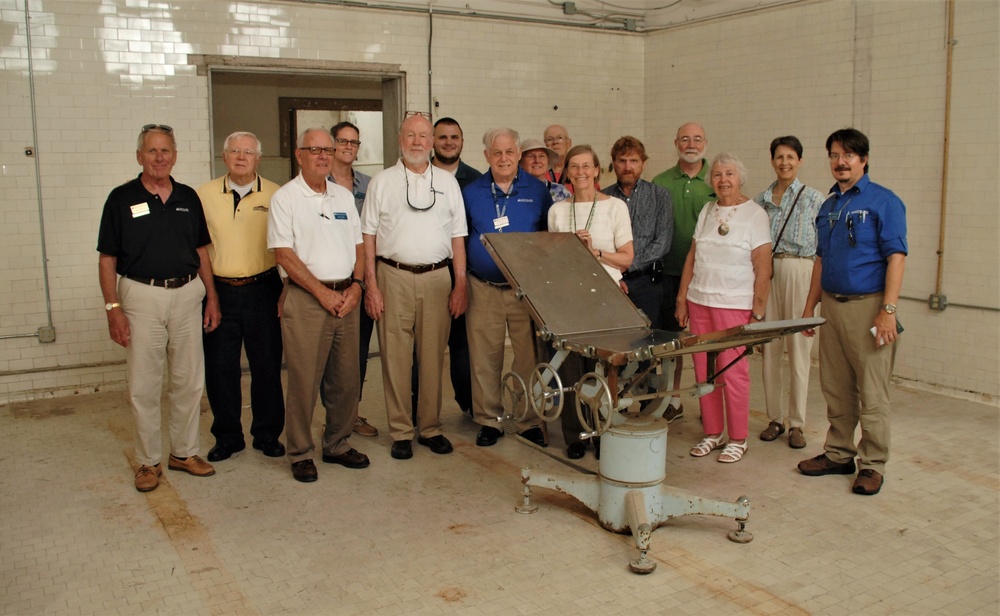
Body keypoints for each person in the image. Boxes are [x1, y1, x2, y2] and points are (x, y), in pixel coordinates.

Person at [97, 124, 219, 492]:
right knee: (145, 384)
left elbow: (201, 251)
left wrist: (211, 296)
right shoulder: (120, 198)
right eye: (152, 151)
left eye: (166, 150)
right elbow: (107, 259)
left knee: (188, 380)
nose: (159, 157)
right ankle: (147, 462)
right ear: (139, 156)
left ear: (175, 156)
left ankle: (184, 453)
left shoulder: (187, 197)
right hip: (140, 296)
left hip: (187, 295)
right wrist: (112, 308)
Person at [797, 128, 907, 497]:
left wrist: (887, 311)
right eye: (834, 155)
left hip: (869, 309)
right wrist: (810, 304)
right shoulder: (828, 206)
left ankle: (872, 464)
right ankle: (838, 453)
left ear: (864, 159)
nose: (840, 162)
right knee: (836, 387)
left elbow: (896, 257)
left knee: (872, 392)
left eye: (848, 155)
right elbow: (820, 259)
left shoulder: (884, 202)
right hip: (831, 306)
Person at [362, 113, 468, 461]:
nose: (418, 142)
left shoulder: (448, 183)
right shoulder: (382, 182)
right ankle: (401, 431)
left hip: (439, 278)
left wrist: (460, 284)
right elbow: (368, 236)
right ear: (400, 139)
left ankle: (431, 427)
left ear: (432, 141)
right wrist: (371, 286)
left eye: (424, 135)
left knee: (432, 357)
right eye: (411, 135)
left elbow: (457, 238)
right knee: (395, 357)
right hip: (392, 276)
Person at [268, 127, 370, 483]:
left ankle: (338, 444)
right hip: (308, 301)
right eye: (315, 150)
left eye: (329, 149)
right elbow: (284, 254)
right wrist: (322, 293)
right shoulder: (285, 198)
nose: (324, 156)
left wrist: (357, 286)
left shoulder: (343, 196)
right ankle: (299, 452)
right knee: (303, 381)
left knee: (346, 380)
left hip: (347, 298)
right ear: (299, 155)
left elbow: (359, 247)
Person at [675, 153, 771, 464]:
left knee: (734, 372)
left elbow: (763, 264)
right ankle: (713, 433)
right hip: (700, 301)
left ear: (740, 178)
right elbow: (692, 256)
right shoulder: (707, 209)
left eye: (729, 173)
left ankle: (738, 438)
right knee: (705, 371)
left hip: (734, 304)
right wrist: (682, 298)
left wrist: (758, 308)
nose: (723, 180)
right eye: (717, 175)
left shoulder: (755, 214)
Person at [197, 131, 285, 462]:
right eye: (234, 150)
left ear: (258, 159)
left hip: (264, 289)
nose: (241, 156)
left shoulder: (277, 194)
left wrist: (285, 291)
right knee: (221, 369)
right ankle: (228, 436)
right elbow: (199, 247)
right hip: (219, 291)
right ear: (224, 156)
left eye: (248, 151)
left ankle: (267, 434)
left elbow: (287, 247)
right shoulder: (203, 195)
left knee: (267, 366)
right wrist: (209, 296)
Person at [464, 128, 552, 448]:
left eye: (509, 152)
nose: (503, 158)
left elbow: (547, 238)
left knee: (528, 356)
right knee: (485, 357)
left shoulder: (537, 190)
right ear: (487, 156)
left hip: (523, 289)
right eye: (496, 153)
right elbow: (460, 238)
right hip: (483, 286)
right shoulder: (471, 191)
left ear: (518, 155)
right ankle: (490, 420)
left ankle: (527, 419)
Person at [548, 144, 633, 459]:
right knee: (570, 368)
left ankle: (602, 431)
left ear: (598, 170)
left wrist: (595, 252)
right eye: (574, 167)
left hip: (604, 297)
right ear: (567, 172)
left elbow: (626, 258)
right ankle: (575, 435)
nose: (581, 172)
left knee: (600, 366)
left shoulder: (615, 207)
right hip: (569, 296)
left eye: (587, 166)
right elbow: (551, 260)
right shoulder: (557, 210)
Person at [754, 136, 825, 450]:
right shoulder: (761, 200)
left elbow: (823, 247)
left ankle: (797, 423)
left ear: (800, 161)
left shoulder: (813, 198)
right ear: (772, 160)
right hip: (769, 271)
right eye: (779, 157)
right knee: (771, 349)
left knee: (798, 350)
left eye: (791, 157)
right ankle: (775, 418)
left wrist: (817, 291)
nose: (785, 163)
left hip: (800, 269)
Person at [652, 122, 714, 423]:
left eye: (697, 139)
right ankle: (672, 401)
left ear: (706, 143)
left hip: (707, 278)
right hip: (667, 274)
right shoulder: (660, 181)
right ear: (676, 142)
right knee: (671, 343)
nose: (691, 144)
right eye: (685, 139)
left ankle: (709, 404)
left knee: (706, 344)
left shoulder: (717, 181)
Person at [327, 120, 378, 438]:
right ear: (332, 144)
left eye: (354, 142)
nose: (348, 146)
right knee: (327, 357)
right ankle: (330, 419)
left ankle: (352, 414)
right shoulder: (317, 183)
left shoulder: (370, 185)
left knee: (356, 352)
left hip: (360, 280)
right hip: (327, 281)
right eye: (343, 141)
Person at [431, 117, 481, 418]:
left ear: (462, 141)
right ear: (433, 142)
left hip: (463, 272)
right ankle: (420, 409)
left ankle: (469, 404)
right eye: (443, 137)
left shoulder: (475, 180)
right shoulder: (418, 176)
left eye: (454, 137)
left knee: (462, 347)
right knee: (423, 348)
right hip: (428, 270)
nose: (449, 142)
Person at [602, 136, 673, 329]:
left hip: (647, 283)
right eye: (622, 161)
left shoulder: (660, 196)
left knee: (646, 344)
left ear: (643, 164)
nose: (627, 167)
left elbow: (662, 242)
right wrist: (615, 273)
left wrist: (627, 264)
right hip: (612, 282)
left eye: (634, 161)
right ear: (613, 163)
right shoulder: (602, 198)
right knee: (615, 342)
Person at [519, 137, 571, 203]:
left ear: (547, 161)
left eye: (542, 156)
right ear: (520, 162)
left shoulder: (561, 191)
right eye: (531, 156)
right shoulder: (512, 190)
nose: (537, 160)